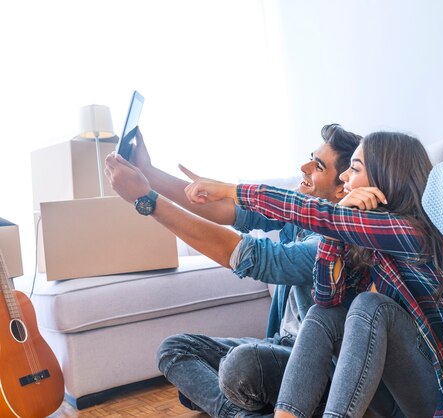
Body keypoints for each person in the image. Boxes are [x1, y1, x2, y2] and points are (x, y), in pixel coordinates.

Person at [183, 131, 443, 418]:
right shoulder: (360, 239)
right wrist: (336, 230)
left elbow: (311, 213)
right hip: (384, 400)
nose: (345, 178)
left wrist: (230, 190)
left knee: (370, 306)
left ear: (383, 177)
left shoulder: (409, 231)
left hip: (430, 398)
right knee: (323, 313)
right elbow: (326, 299)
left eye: (355, 169)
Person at [104, 124, 361, 417]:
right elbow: (225, 207)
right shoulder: (301, 210)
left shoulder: (338, 243)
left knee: (240, 367)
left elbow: (252, 256)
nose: (303, 167)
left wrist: (146, 200)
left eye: (317, 166)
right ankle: (242, 410)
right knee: (174, 349)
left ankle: (238, 402)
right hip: (278, 345)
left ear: (343, 186)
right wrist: (148, 172)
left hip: (314, 369)